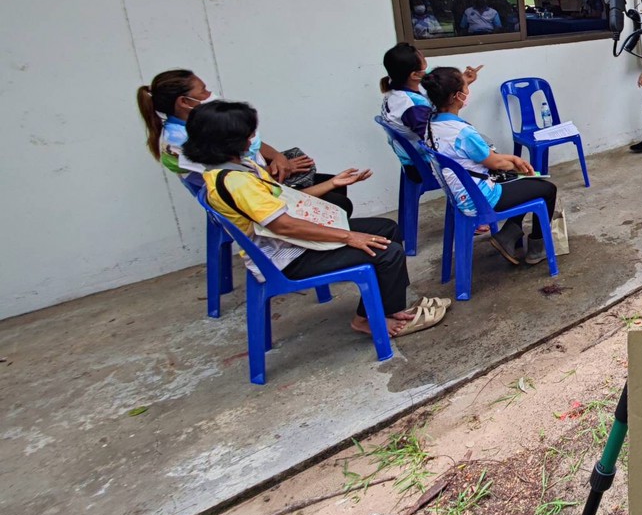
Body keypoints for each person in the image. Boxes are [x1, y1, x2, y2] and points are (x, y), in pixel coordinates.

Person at [185, 100, 446, 339]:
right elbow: (283, 225)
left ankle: (388, 306)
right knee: (388, 253)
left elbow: (286, 200)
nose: (255, 139)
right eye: (249, 135)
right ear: (229, 142)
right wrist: (349, 237)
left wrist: (333, 183)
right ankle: (366, 320)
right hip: (287, 257)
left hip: (290, 242)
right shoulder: (236, 182)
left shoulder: (239, 168)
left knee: (386, 228)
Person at [137, 68, 350, 212]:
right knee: (337, 202)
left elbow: (250, 141)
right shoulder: (179, 142)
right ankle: (323, 250)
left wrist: (278, 158)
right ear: (184, 101)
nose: (210, 93)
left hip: (259, 179)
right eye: (204, 91)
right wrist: (271, 172)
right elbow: (232, 180)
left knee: (333, 186)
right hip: (247, 196)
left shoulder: (202, 121)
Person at [422, 66, 560, 265]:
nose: (468, 91)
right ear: (457, 96)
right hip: (480, 198)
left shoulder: (431, 124)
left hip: (460, 194)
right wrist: (514, 162)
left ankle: (508, 235)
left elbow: (488, 159)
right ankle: (537, 249)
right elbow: (496, 163)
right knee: (546, 189)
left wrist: (511, 160)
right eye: (465, 87)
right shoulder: (462, 132)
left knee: (523, 183)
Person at [378, 42, 483, 172]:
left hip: (412, 160)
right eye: (424, 64)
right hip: (425, 165)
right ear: (414, 75)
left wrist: (460, 83)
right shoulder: (412, 107)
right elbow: (437, 138)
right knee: (483, 156)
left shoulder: (395, 92)